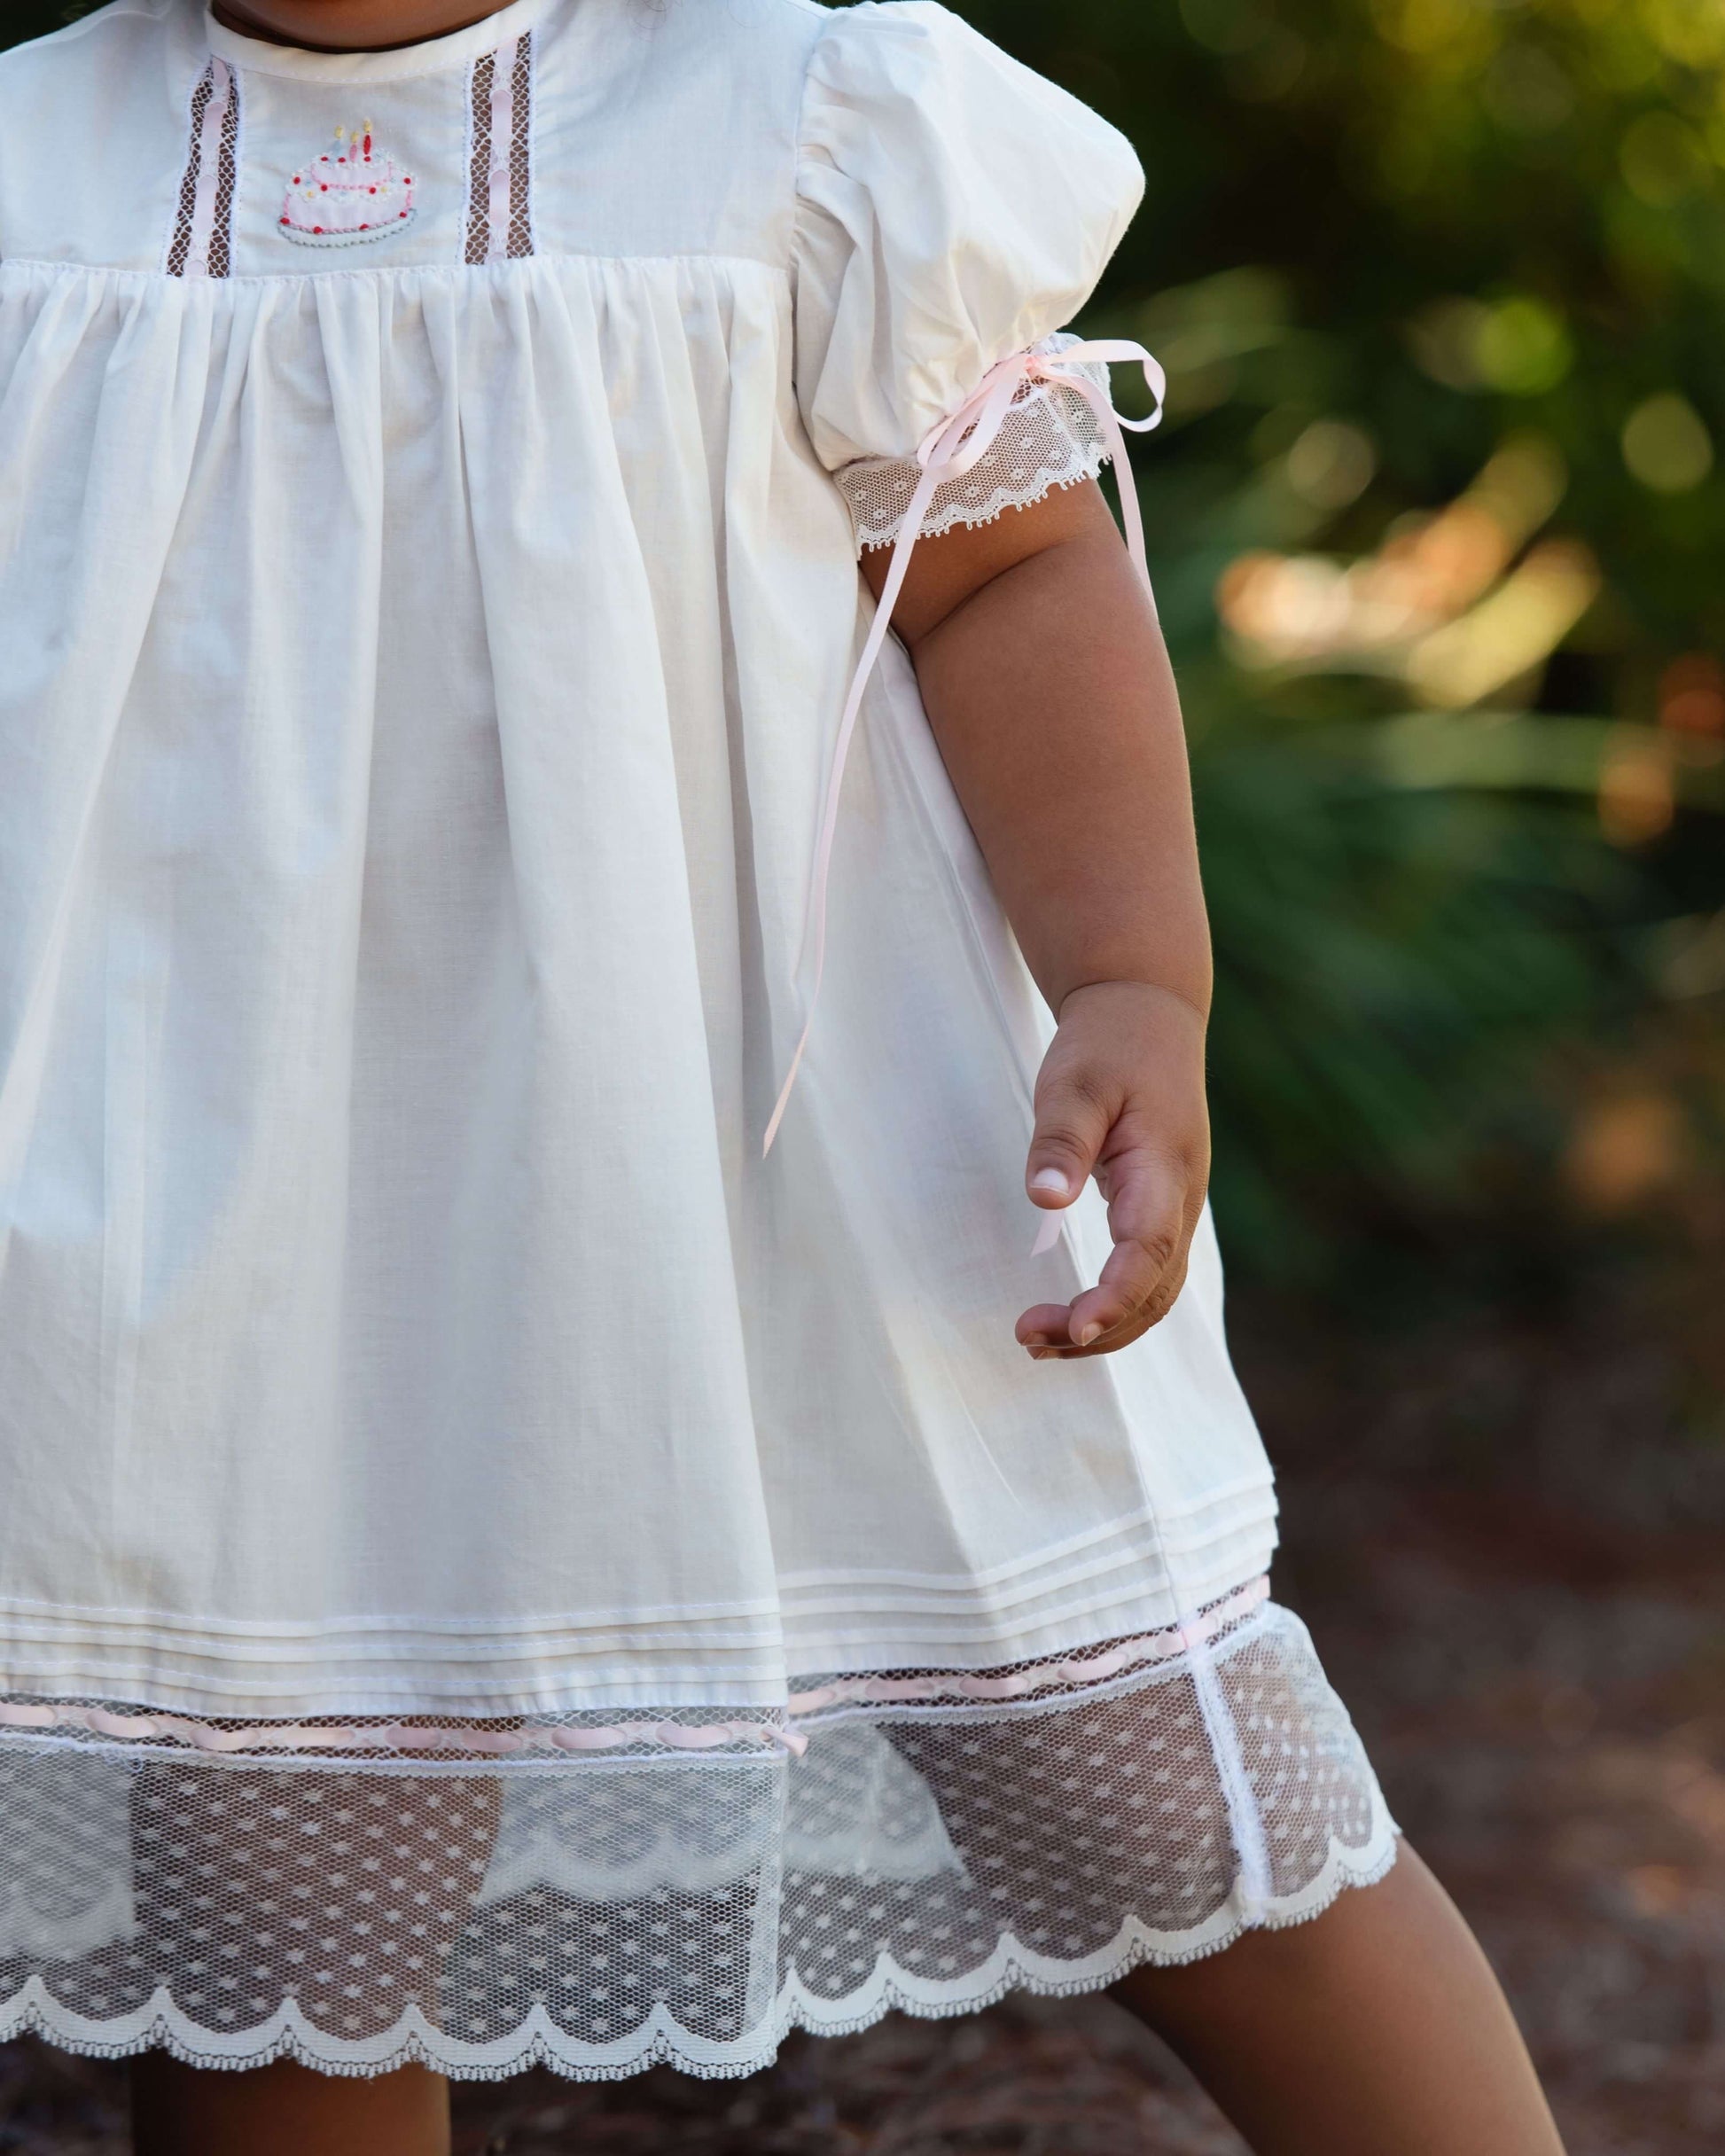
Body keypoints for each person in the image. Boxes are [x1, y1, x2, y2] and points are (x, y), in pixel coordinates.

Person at [0, 0, 1565, 2150]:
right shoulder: (31, 167)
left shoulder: (796, 128)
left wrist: (1130, 975)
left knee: (1139, 1773)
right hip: (229, 1194)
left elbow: (1006, 572)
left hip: (786, 1139)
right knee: (275, 1885)